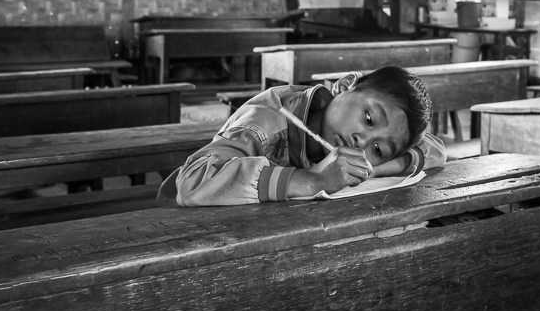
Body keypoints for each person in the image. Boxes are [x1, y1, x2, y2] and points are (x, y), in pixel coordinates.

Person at [157, 65, 446, 207]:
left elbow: (434, 149)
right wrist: (313, 180)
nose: (362, 141)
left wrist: (371, 168)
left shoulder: (353, 138)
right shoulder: (268, 123)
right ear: (345, 85)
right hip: (181, 225)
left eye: (379, 148)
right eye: (369, 119)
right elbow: (192, 180)